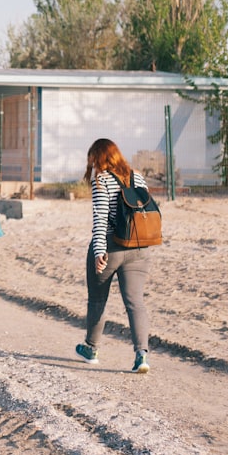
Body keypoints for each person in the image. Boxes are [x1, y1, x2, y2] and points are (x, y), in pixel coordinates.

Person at [75, 138, 154, 374]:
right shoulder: (137, 176)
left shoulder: (102, 181)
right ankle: (142, 355)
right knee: (135, 302)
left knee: (98, 299)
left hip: (111, 247)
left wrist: (99, 251)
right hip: (139, 246)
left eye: (93, 160)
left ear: (99, 158)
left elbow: (100, 219)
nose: (93, 166)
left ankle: (91, 348)